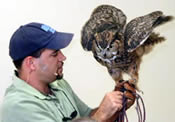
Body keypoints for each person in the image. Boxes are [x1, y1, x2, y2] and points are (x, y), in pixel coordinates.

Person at [0, 22, 136, 122]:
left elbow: (87, 116)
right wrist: (100, 115)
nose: (63, 57)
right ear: (31, 63)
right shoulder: (18, 106)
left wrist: (115, 107)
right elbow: (95, 118)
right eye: (54, 54)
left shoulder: (59, 85)